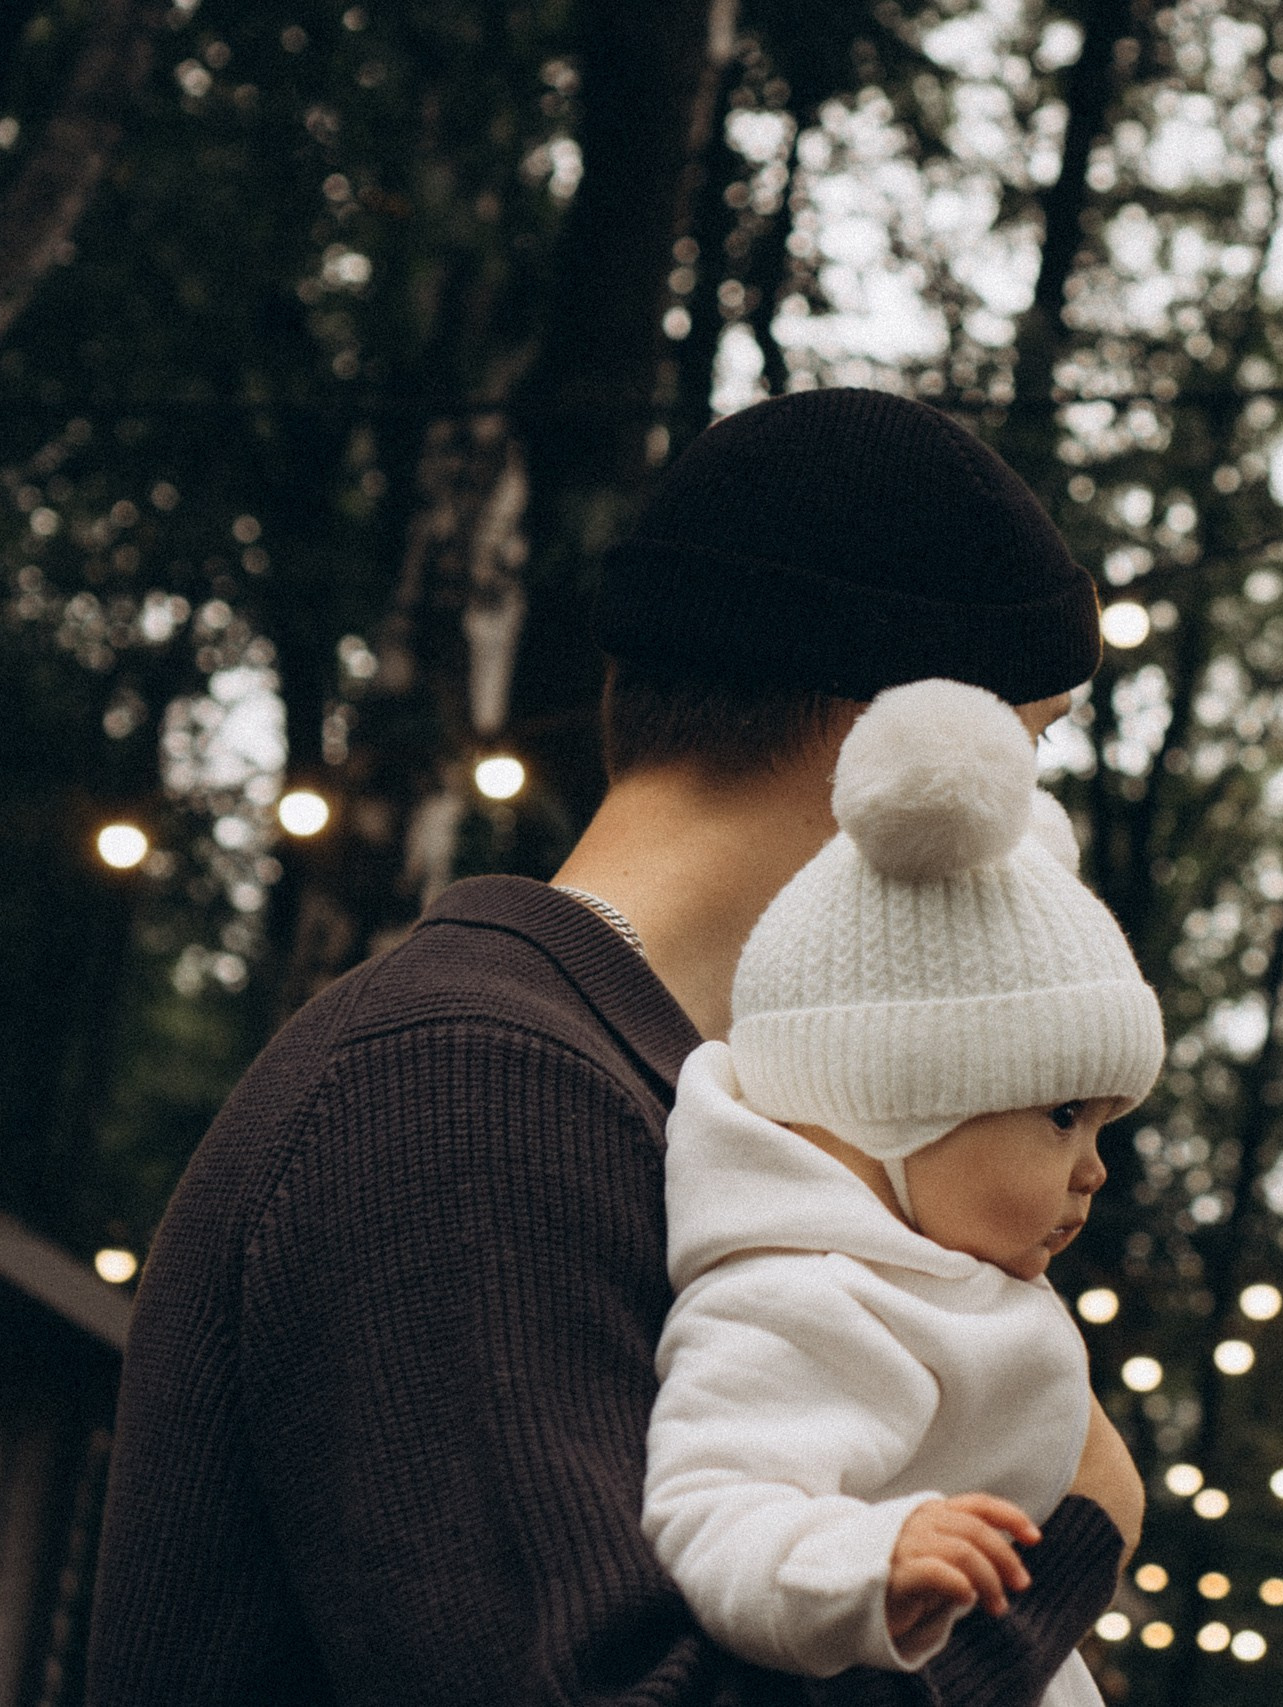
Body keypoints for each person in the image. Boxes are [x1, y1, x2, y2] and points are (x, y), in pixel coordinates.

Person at [89, 388, 1146, 1706]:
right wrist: (1063, 1542)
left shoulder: (660, 1114)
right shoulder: (464, 1083)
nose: (1023, 823)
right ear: (891, 742)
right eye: (1022, 744)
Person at [644, 677, 1161, 1702]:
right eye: (1062, 1116)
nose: (1096, 1170)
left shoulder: (929, 1267)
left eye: (1104, 1126)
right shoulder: (803, 1295)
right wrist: (868, 1561)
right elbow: (713, 1506)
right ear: (895, 1103)